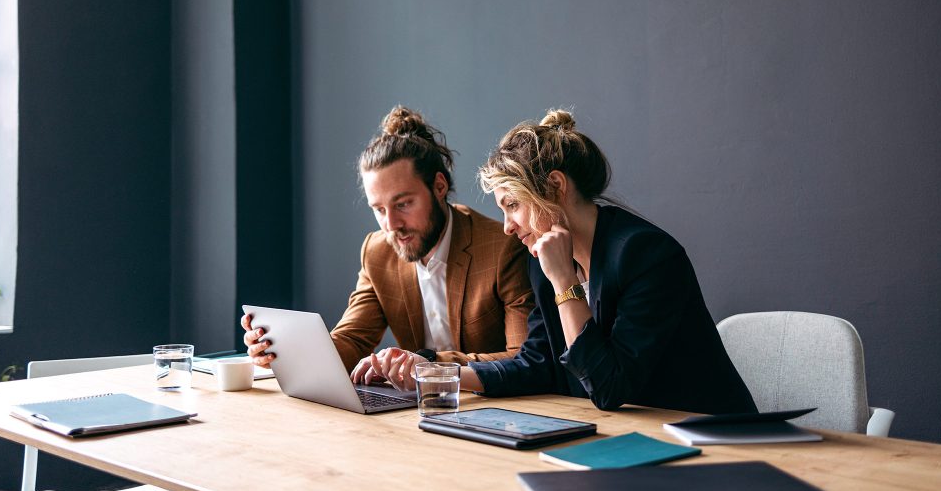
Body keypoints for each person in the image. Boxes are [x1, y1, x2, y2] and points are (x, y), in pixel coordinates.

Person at [368, 108, 756, 415]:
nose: (507, 227)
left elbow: (610, 387)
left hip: (714, 439)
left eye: (513, 205)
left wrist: (564, 282)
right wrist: (436, 374)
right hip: (631, 440)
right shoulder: (543, 261)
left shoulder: (646, 255)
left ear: (555, 186)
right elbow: (538, 365)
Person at [242, 106, 534, 386]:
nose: (391, 224)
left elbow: (521, 357)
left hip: (492, 410)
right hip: (415, 413)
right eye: (379, 209)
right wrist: (284, 349)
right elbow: (352, 339)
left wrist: (427, 363)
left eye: (403, 204)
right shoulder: (377, 251)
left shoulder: (502, 247)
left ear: (439, 186)